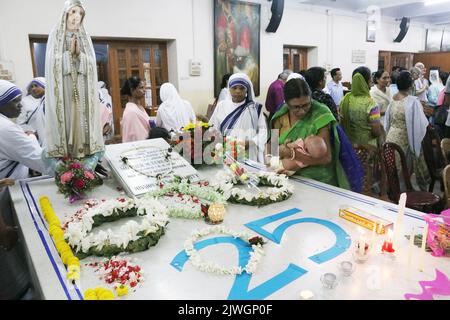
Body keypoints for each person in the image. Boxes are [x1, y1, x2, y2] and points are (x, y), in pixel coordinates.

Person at [0, 80, 47, 300]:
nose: (20, 106)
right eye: (15, 102)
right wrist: (31, 138)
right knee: (11, 265)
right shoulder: (5, 128)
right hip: (3, 205)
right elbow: (42, 161)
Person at [45, 0, 104, 168]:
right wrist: (68, 55)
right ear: (65, 14)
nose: (76, 17)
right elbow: (51, 65)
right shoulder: (56, 36)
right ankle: (67, 154)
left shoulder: (85, 38)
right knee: (67, 118)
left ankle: (84, 152)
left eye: (80, 13)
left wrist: (80, 56)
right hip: (64, 88)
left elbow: (92, 65)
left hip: (82, 88)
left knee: (82, 117)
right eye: (73, 12)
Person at [270, 78, 351, 189]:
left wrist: (291, 153)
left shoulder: (321, 114)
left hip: (318, 182)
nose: (302, 111)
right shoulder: (279, 115)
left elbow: (326, 158)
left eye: (306, 105)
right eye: (296, 107)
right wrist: (275, 163)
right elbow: (273, 146)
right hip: (285, 180)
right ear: (287, 103)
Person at [384, 71, 430, 191]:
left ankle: (393, 190)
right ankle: (404, 192)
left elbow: (388, 121)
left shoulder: (393, 99)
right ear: (410, 85)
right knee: (404, 167)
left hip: (391, 136)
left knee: (393, 166)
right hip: (405, 138)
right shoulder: (412, 101)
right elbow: (421, 123)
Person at [209, 73, 267, 163]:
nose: (238, 91)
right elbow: (213, 128)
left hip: (249, 153)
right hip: (226, 152)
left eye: (241, 88)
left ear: (247, 90)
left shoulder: (255, 108)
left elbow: (263, 131)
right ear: (229, 89)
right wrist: (219, 142)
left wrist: (251, 143)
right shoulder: (222, 106)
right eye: (234, 88)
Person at [340, 66, 382, 146]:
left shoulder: (345, 99)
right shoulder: (371, 104)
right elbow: (376, 131)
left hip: (350, 147)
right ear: (366, 81)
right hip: (367, 149)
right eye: (370, 79)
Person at [17, 77, 46, 146]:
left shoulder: (49, 100)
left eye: (36, 86)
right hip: (35, 139)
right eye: (31, 87)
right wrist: (33, 132)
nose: (33, 88)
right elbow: (21, 123)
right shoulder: (25, 101)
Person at [121, 76, 150, 143]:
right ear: (132, 90)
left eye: (144, 87)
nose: (144, 90)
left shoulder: (139, 107)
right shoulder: (131, 112)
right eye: (141, 88)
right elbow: (137, 136)